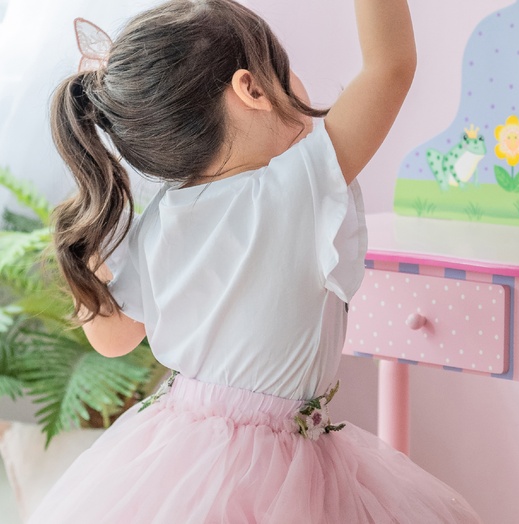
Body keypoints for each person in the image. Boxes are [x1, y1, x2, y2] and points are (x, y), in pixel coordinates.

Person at [28, 0, 481, 522]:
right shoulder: (298, 186)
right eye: (284, 65)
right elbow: (390, 66)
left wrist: (95, 252)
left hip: (173, 457)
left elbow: (115, 340)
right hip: (274, 464)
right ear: (253, 89)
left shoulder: (162, 217)